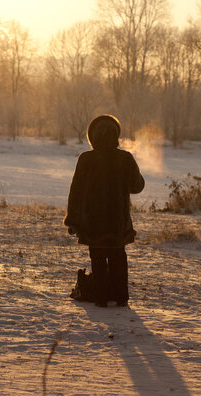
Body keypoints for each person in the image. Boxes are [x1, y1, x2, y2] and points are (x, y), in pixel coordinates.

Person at [64, 114, 145, 307]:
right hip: (119, 222)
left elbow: (75, 192)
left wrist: (73, 220)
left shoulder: (86, 159)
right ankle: (121, 297)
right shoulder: (125, 158)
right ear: (116, 134)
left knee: (98, 258)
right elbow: (137, 186)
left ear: (93, 136)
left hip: (93, 222)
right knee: (119, 257)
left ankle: (100, 298)